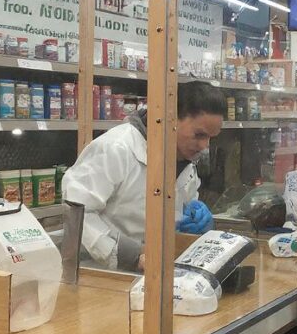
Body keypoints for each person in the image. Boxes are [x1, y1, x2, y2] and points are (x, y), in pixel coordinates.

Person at [62, 80, 225, 272]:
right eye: (199, 135)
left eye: (210, 138)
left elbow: (180, 212)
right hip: (101, 275)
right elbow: (77, 212)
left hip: (155, 274)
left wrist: (194, 222)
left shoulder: (184, 160)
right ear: (171, 119)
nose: (204, 146)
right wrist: (131, 255)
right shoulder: (116, 148)